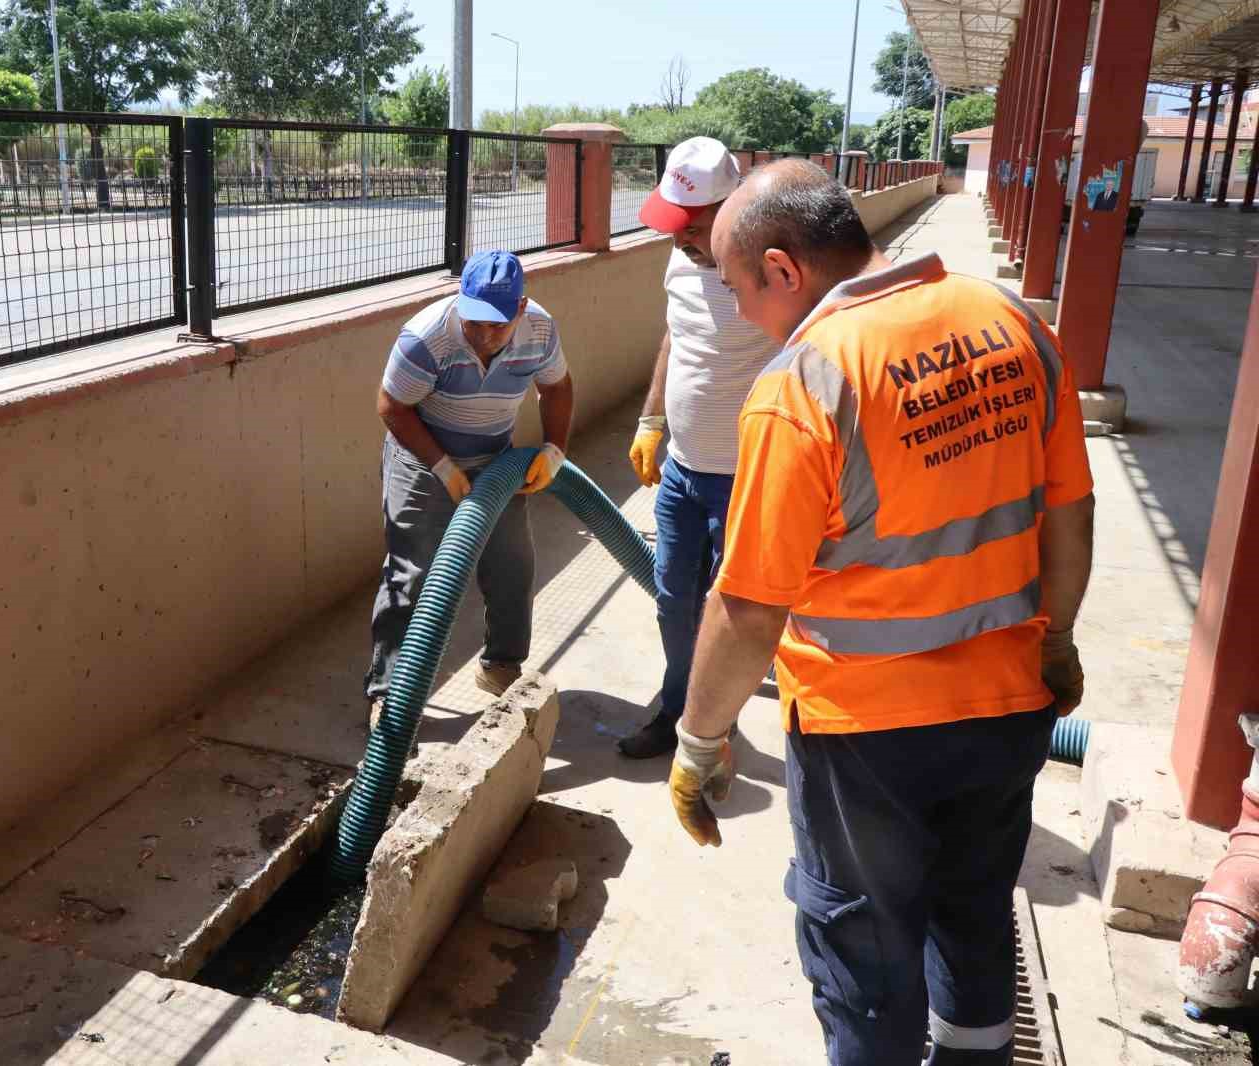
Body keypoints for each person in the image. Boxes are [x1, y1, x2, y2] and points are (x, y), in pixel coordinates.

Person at [667, 160, 1094, 1065]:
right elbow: (1070, 509)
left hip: (866, 737)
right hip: (1012, 701)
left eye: (738, 286)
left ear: (784, 270)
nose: (740, 312)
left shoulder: (803, 387)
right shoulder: (1016, 323)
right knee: (972, 918)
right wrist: (1057, 639)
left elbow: (748, 609)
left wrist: (699, 744)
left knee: (863, 957)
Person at [620, 137, 782, 761]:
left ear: (733, 212)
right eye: (675, 226)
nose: (680, 240)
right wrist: (650, 418)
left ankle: (715, 721)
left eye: (693, 228)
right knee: (672, 598)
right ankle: (679, 706)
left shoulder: (772, 275)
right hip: (684, 468)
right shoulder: (681, 261)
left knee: (732, 609)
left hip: (743, 475)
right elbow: (675, 335)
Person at [365, 250, 575, 731]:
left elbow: (557, 387)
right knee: (412, 574)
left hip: (497, 461)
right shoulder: (427, 337)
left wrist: (554, 451)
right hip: (422, 458)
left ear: (520, 311)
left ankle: (501, 666)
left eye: (496, 325)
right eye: (474, 321)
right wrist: (441, 467)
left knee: (512, 564)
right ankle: (390, 694)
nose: (483, 335)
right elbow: (392, 406)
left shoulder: (539, 331)